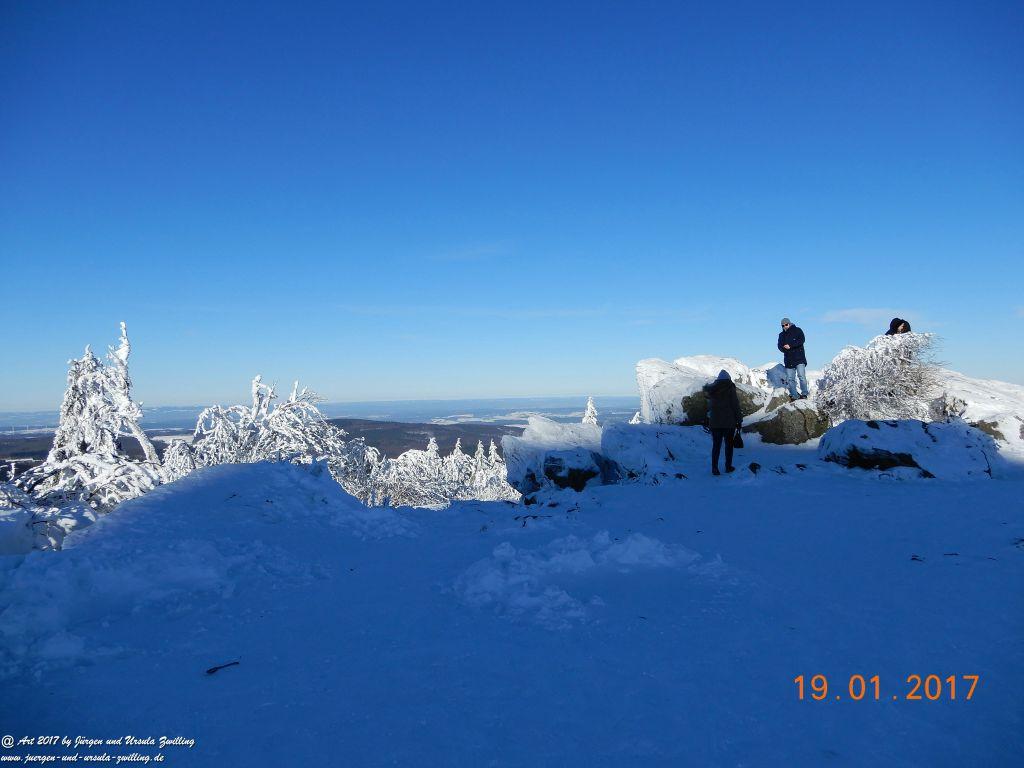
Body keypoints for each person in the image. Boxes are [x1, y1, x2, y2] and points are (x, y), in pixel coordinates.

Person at [703, 369, 742, 476]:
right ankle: (728, 467)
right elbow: (735, 405)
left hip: (715, 423)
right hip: (729, 423)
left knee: (716, 445)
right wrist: (739, 420)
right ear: (728, 378)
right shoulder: (730, 388)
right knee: (729, 445)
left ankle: (714, 468)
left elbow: (709, 407)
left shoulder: (712, 390)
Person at [777, 317, 809, 400]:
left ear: (789, 323)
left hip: (799, 358)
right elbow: (779, 346)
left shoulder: (798, 330)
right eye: (783, 325)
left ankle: (804, 394)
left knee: (801, 376)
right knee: (791, 379)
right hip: (788, 359)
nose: (785, 326)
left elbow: (802, 340)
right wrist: (784, 348)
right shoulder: (781, 335)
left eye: (786, 324)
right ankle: (794, 395)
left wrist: (790, 345)